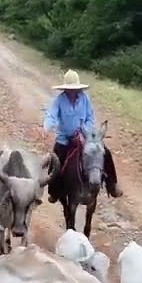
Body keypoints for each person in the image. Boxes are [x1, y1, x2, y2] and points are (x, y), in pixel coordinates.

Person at [41, 69, 122, 203]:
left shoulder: (85, 98)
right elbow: (52, 116)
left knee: (105, 153)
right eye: (70, 89)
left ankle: (112, 184)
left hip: (85, 137)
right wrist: (46, 128)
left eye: (75, 89)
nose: (73, 91)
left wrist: (84, 132)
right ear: (65, 89)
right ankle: (54, 191)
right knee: (56, 161)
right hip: (64, 139)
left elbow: (90, 118)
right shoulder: (59, 100)